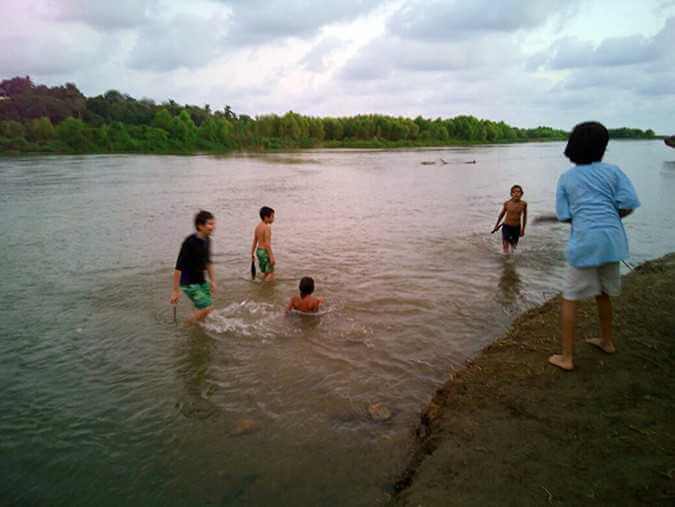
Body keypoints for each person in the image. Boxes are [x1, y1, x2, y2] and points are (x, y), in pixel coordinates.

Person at [548, 121, 640, 371]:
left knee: (569, 298)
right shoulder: (614, 172)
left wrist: (583, 218)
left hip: (585, 243)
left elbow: (564, 215)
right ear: (603, 148)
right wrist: (611, 216)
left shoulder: (567, 178)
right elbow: (629, 202)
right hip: (612, 241)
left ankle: (566, 357)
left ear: (572, 147)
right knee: (603, 293)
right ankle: (607, 341)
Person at [170, 210, 217, 323]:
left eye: (213, 224)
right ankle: (186, 325)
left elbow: (208, 262)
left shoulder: (208, 240)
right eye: (210, 224)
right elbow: (178, 267)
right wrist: (175, 290)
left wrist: (213, 281)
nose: (213, 227)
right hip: (189, 283)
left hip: (201, 281)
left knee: (208, 309)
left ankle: (196, 328)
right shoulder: (189, 243)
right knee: (207, 308)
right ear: (200, 226)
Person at [492, 185, 527, 254]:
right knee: (505, 247)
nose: (516, 193)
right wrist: (496, 226)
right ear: (511, 194)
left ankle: (511, 261)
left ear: (521, 194)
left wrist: (523, 229)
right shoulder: (507, 203)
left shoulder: (524, 204)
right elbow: (501, 215)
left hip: (517, 227)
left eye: (518, 192)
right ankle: (506, 261)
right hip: (506, 226)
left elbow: (525, 217)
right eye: (514, 192)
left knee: (514, 247)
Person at [251, 206, 276, 282]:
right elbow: (267, 244)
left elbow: (254, 241)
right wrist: (271, 257)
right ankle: (263, 288)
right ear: (266, 217)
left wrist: (252, 253)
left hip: (259, 251)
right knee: (271, 273)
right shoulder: (267, 228)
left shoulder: (257, 227)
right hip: (265, 252)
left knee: (266, 272)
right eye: (272, 216)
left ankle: (263, 285)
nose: (273, 218)